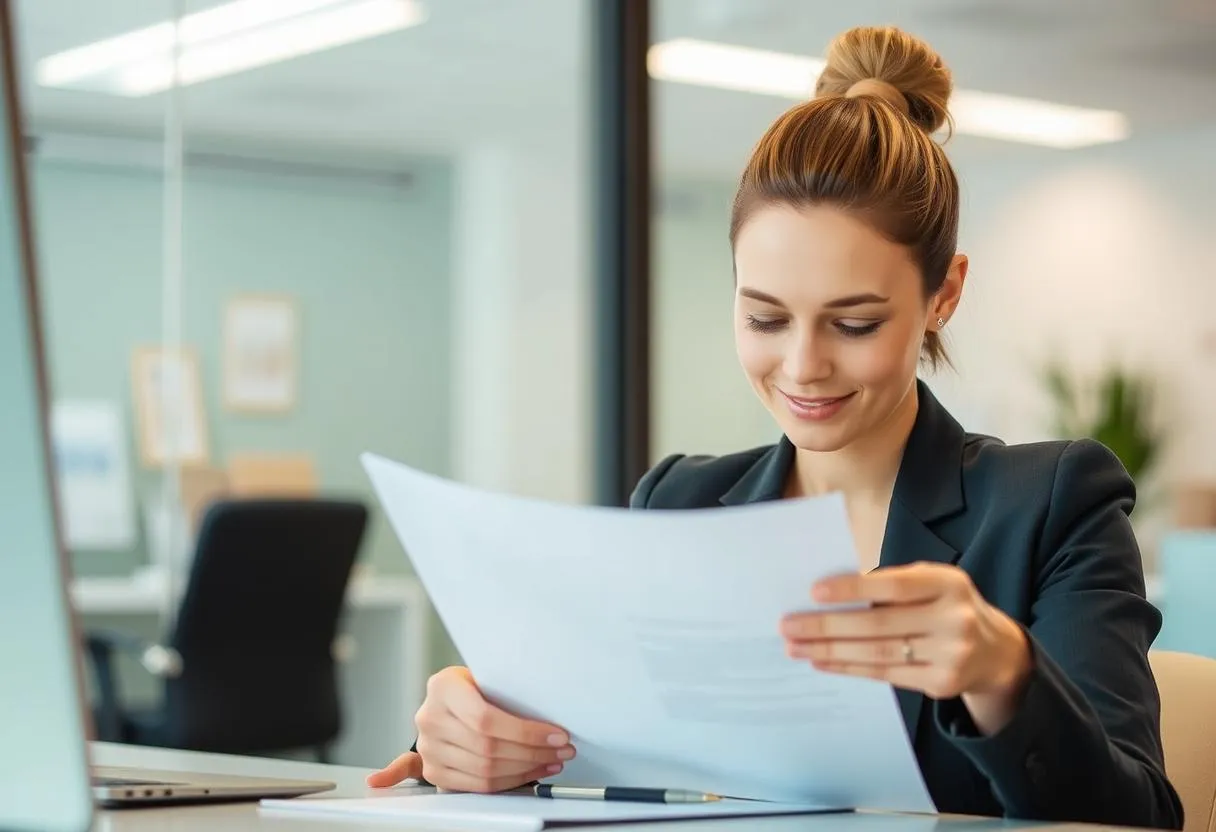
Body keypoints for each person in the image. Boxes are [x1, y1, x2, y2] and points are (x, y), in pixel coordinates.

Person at [366, 25, 1183, 830]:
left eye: (853, 324)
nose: (801, 367)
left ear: (945, 294)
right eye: (764, 318)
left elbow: (1141, 813)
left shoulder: (1051, 503)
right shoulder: (678, 501)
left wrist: (1005, 675)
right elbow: (579, 745)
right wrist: (463, 738)